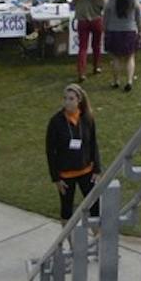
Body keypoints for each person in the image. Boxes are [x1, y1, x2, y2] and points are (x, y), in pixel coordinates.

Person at [46, 84, 101, 222]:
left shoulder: (87, 118)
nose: (67, 102)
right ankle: (69, 241)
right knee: (66, 210)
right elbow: (50, 151)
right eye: (65, 98)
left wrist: (97, 169)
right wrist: (56, 178)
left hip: (86, 171)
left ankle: (97, 239)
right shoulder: (56, 121)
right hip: (66, 174)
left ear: (79, 100)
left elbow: (93, 142)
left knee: (95, 205)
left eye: (71, 99)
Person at [103, 0, 141, 92]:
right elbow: (138, 18)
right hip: (130, 31)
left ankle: (116, 81)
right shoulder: (133, 1)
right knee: (130, 57)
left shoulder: (110, 3)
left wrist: (105, 30)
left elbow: (105, 19)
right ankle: (129, 81)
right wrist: (140, 31)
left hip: (114, 32)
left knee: (116, 58)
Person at [72, 0, 107, 81]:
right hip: (96, 20)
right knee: (96, 45)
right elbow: (103, 6)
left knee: (82, 48)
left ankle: (81, 72)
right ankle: (96, 66)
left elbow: (74, 3)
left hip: (82, 21)